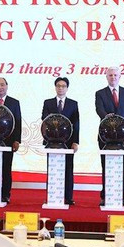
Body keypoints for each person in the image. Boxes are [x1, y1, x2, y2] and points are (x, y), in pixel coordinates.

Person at [95, 66, 124, 206]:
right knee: (106, 167)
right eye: (110, 75)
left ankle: (121, 195)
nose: (113, 77)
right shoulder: (100, 93)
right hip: (105, 137)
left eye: (115, 75)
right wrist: (106, 117)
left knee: (121, 167)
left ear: (120, 77)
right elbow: (99, 109)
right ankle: (105, 196)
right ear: (106, 77)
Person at [41, 77, 79, 205]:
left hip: (68, 142)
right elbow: (44, 120)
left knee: (68, 169)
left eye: (63, 86)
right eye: (58, 86)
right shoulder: (48, 103)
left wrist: (75, 142)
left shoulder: (73, 104)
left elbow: (76, 123)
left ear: (67, 88)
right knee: (52, 169)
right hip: (52, 141)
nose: (61, 88)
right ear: (55, 87)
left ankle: (68, 197)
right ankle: (51, 196)